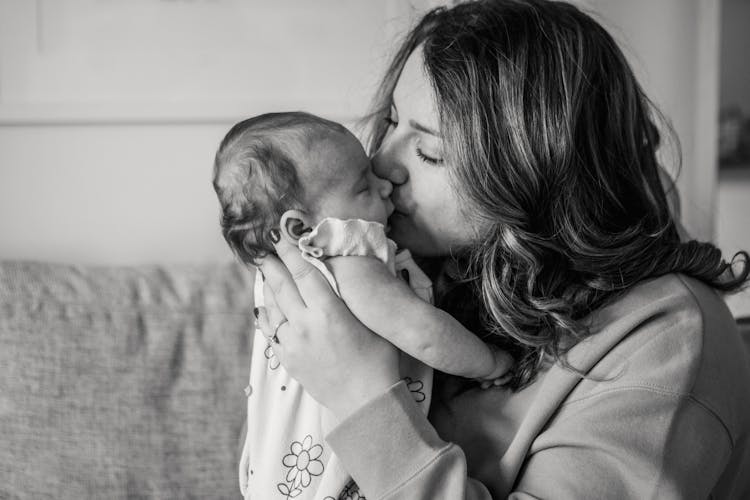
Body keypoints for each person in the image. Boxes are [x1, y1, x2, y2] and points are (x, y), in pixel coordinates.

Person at [255, 1, 750, 498]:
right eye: (391, 122)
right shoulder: (443, 262)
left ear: (539, 171)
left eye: (432, 152)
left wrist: (362, 399)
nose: (381, 163)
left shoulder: (665, 346)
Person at [212, 112, 513, 499]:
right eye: (363, 187)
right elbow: (422, 333)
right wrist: (488, 360)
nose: (384, 182)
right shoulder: (346, 259)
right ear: (300, 229)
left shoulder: (280, 279)